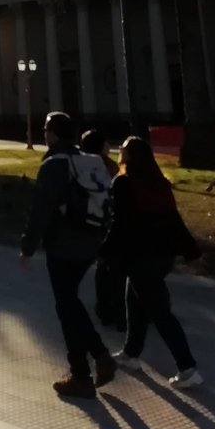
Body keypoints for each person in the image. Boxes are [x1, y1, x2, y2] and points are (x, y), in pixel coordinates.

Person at [20, 111, 115, 400]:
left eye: (45, 129)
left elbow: (41, 210)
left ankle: (86, 370)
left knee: (67, 305)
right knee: (68, 302)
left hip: (64, 244)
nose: (43, 134)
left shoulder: (54, 164)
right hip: (91, 241)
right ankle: (92, 362)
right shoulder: (87, 160)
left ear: (52, 134)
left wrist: (27, 247)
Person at [100, 136, 202, 388]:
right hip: (163, 255)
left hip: (142, 255)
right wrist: (190, 249)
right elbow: (173, 218)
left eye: (122, 147)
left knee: (160, 313)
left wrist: (104, 250)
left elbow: (120, 224)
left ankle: (188, 369)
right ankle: (131, 353)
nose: (119, 149)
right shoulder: (159, 183)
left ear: (131, 156)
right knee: (133, 297)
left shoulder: (124, 183)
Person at [80, 129, 125, 332]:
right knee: (114, 268)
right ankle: (116, 309)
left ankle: (104, 308)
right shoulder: (108, 165)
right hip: (110, 221)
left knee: (103, 267)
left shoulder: (79, 165)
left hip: (91, 223)